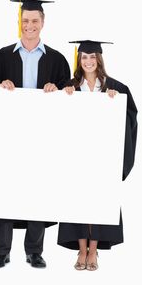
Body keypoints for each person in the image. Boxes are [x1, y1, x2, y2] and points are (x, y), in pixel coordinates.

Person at [0, 0, 71, 268]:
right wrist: (0, 84)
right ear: (19, 22)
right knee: (4, 191)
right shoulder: (2, 56)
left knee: (38, 191)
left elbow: (68, 99)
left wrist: (56, 91)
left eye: (35, 20)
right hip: (6, 137)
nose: (30, 26)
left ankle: (34, 251)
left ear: (43, 22)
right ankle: (1, 251)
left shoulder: (57, 60)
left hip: (43, 139)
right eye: (25, 20)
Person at [57, 40, 138, 271]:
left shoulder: (115, 87)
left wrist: (116, 105)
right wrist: (64, 95)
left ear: (99, 60)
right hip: (75, 158)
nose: (88, 62)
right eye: (84, 57)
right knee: (76, 203)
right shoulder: (70, 86)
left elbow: (131, 119)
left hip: (103, 159)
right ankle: (81, 251)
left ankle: (94, 251)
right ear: (79, 60)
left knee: (99, 203)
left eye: (92, 58)